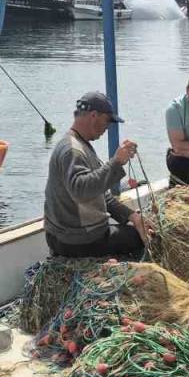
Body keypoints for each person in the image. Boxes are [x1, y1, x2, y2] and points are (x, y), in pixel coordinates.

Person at [44, 92, 154, 258]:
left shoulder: (79, 144)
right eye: (107, 120)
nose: (108, 127)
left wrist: (134, 217)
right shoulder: (72, 151)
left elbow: (101, 195)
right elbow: (81, 191)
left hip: (66, 237)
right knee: (142, 238)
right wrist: (115, 162)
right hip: (77, 240)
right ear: (94, 115)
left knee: (139, 227)